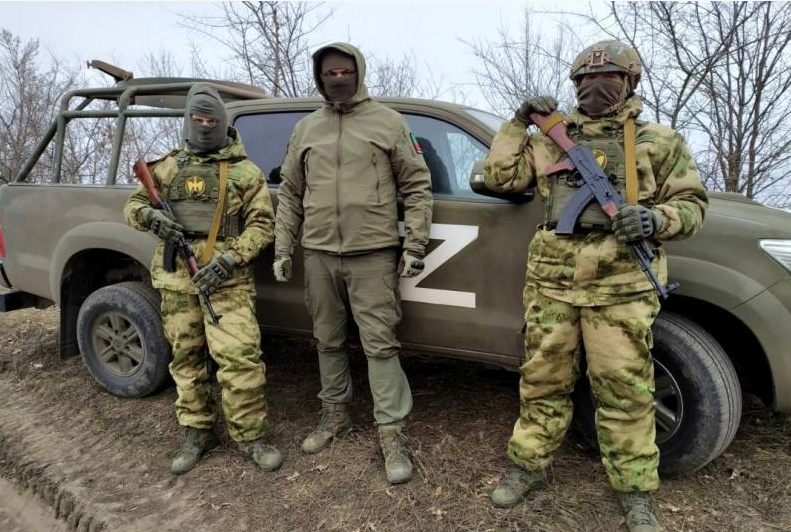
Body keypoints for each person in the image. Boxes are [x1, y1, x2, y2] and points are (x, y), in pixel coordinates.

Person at [481, 40, 708, 531]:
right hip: (553, 283)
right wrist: (517, 123)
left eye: (607, 78)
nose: (595, 86)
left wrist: (654, 219)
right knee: (542, 381)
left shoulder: (658, 141)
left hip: (622, 286)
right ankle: (527, 467)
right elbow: (500, 178)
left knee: (625, 392)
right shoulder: (552, 138)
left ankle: (635, 491)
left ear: (629, 82)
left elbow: (692, 207)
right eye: (585, 79)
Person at [272, 43, 433, 485]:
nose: (338, 79)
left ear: (358, 72)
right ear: (319, 77)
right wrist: (283, 248)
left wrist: (415, 244)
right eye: (330, 73)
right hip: (319, 252)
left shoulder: (388, 122)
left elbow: (417, 185)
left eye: (345, 71)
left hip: (373, 253)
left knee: (380, 345)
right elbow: (290, 193)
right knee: (326, 339)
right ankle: (335, 414)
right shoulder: (306, 129)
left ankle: (391, 432)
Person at [123, 83, 282, 475]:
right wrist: (151, 217)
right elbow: (133, 205)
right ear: (188, 121)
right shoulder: (168, 167)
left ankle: (250, 436)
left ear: (223, 122)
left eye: (212, 121)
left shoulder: (246, 172)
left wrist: (229, 260)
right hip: (177, 281)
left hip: (227, 284)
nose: (205, 126)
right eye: (198, 119)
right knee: (187, 360)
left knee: (240, 360)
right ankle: (197, 433)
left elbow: (263, 225)